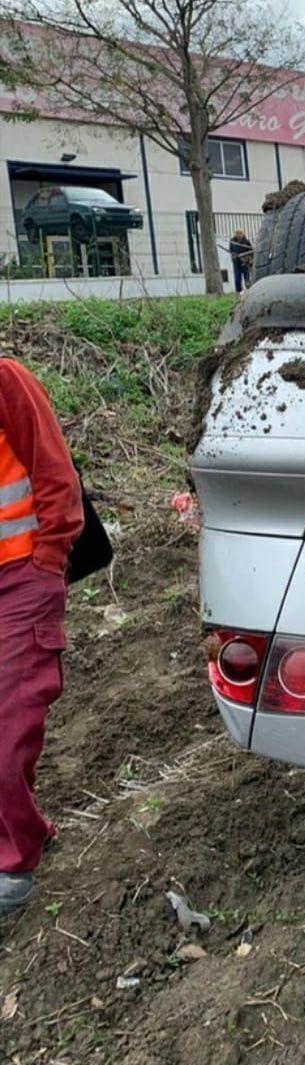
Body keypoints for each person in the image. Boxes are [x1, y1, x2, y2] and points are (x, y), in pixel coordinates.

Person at [0, 357, 82, 914]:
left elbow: (55, 475)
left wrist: (48, 562)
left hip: (22, 579)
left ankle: (15, 858)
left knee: (8, 728)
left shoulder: (6, 382)